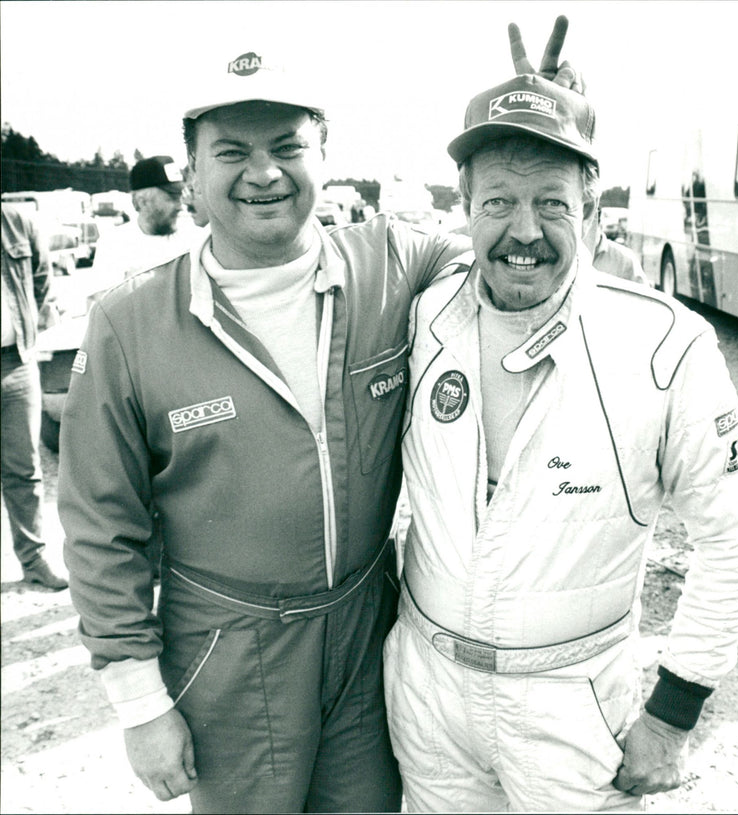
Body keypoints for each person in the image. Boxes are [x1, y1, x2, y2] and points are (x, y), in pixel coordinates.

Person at [58, 21, 576, 814]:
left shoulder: (396, 263)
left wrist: (547, 129)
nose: (263, 172)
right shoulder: (129, 325)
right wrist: (139, 704)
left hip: (369, 635)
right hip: (226, 649)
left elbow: (523, 263)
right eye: (231, 151)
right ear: (191, 172)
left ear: (324, 155)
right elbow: (102, 527)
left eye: (288, 146)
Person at [383, 39, 738, 813]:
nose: (523, 229)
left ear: (593, 211)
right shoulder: (424, 316)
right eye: (498, 201)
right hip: (427, 698)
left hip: (572, 709)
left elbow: (737, 536)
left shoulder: (663, 342)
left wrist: (673, 713)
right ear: (464, 207)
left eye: (552, 202)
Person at [1, 203, 68, 591]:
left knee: (24, 470)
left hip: (15, 363)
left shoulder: (18, 222)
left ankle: (34, 560)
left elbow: (41, 281)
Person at [90, 155, 200, 285]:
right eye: (172, 198)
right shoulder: (115, 244)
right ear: (142, 202)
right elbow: (101, 301)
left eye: (180, 197)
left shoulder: (195, 238)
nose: (180, 205)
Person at [586, 206, 649, 285]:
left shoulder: (626, 261)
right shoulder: (570, 258)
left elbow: (641, 294)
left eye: (588, 227)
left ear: (600, 226)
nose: (582, 234)